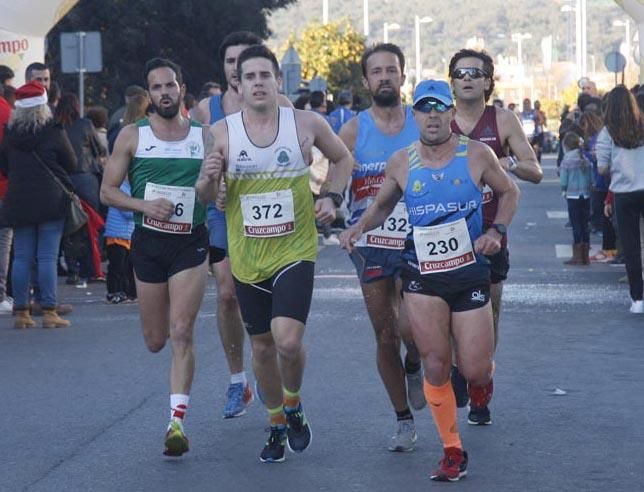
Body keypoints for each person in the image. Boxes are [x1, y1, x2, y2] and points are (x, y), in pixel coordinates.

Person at [340, 79, 519, 481]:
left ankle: (481, 385)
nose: (433, 115)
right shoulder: (403, 161)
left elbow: (510, 193)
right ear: (415, 114)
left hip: (470, 271)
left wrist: (497, 232)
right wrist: (359, 227)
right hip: (422, 275)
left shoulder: (476, 154)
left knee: (473, 369)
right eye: (425, 108)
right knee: (436, 365)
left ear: (452, 113)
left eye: (440, 107)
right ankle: (452, 450)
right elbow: (383, 204)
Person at [196, 44, 354, 463]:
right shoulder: (223, 132)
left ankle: (294, 400)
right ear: (239, 84)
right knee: (262, 348)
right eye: (250, 77)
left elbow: (343, 159)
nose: (259, 83)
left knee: (287, 341)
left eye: (266, 75)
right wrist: (211, 181)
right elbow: (204, 195)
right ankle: (276, 422)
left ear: (278, 81)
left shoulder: (306, 123)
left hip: (295, 248)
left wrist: (332, 197)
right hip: (247, 256)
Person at [100, 57, 209, 456]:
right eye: (157, 87)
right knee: (155, 340)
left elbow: (220, 186)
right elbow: (107, 192)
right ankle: (175, 414)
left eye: (171, 85)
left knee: (182, 331)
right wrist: (145, 207)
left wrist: (214, 191)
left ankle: (176, 423)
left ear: (181, 88)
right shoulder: (132, 135)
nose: (165, 93)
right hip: (148, 243)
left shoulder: (204, 136)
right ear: (150, 94)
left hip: (189, 244)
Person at [195, 31, 293, 419]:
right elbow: (204, 165)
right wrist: (213, 187)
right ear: (223, 68)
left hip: (271, 208)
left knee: (268, 294)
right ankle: (239, 380)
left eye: (243, 61)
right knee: (227, 293)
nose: (237, 69)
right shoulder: (207, 109)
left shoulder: (279, 103)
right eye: (230, 62)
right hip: (223, 210)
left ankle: (273, 362)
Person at [337, 43, 426, 452]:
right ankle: (403, 419)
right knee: (386, 333)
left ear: (403, 76)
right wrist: (327, 197)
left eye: (392, 69)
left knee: (414, 328)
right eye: (377, 71)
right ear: (367, 81)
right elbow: (334, 170)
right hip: (369, 243)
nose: (385, 77)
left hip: (417, 240)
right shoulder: (355, 129)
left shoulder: (422, 122)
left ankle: (416, 363)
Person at [448, 49, 542, 424]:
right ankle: (458, 366)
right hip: (445, 232)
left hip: (490, 232)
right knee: (449, 311)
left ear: (488, 81)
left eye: (476, 73)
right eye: (460, 73)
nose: (467, 78)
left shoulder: (502, 120)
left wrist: (509, 164)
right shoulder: (438, 119)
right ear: (451, 81)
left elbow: (535, 170)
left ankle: (481, 381)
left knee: (489, 312)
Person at [0, 81, 77, 328]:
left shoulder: (10, 135)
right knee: (46, 257)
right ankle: (49, 312)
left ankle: (21, 313)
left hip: (18, 200)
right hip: (51, 201)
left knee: (21, 257)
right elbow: (71, 163)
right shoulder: (53, 130)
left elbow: (4, 167)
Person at [596, 85, 644, 314]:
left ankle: (637, 298)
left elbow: (602, 168)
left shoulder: (607, 133)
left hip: (624, 194)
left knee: (632, 246)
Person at [560, 132, 591, 265]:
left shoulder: (566, 160)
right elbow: (591, 177)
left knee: (576, 224)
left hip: (572, 195)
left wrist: (563, 189)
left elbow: (563, 180)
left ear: (566, 146)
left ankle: (577, 255)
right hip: (586, 195)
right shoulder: (585, 158)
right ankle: (585, 255)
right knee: (585, 224)